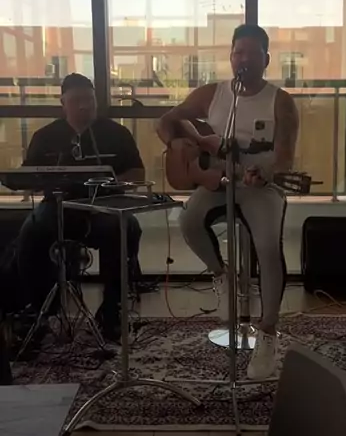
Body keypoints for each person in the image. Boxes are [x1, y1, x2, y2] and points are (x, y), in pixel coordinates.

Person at [156, 24, 299, 380]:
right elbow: (167, 120)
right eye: (238, 53)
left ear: (266, 59)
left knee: (267, 247)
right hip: (218, 181)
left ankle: (267, 332)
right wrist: (181, 148)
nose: (244, 59)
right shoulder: (213, 94)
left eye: (252, 53)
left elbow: (285, 158)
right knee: (188, 220)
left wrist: (264, 172)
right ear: (231, 57)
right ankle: (223, 277)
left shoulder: (280, 101)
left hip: (259, 185)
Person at [16, 73, 145, 340]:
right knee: (30, 234)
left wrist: (112, 183)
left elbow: (138, 173)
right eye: (76, 101)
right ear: (63, 103)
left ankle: (111, 309)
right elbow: (28, 175)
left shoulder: (117, 133)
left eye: (89, 100)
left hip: (104, 205)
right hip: (57, 206)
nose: (84, 106)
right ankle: (40, 310)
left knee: (123, 228)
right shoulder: (45, 136)